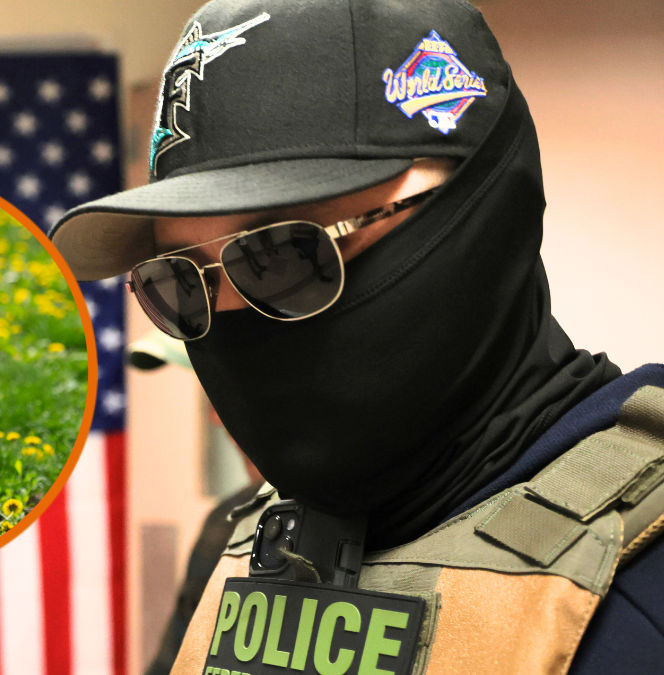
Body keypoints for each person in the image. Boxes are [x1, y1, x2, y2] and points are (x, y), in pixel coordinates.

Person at [48, 0, 664, 673]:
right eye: (180, 281)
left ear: (482, 201)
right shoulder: (247, 547)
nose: (228, 320)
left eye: (284, 252)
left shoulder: (641, 578)